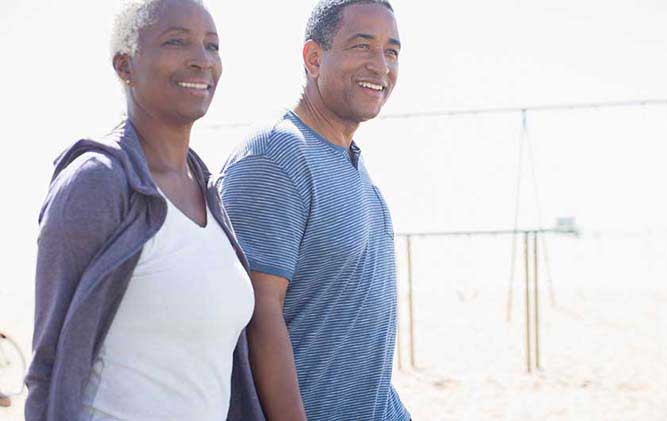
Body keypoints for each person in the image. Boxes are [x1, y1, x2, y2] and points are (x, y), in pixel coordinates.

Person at [24, 1, 264, 420]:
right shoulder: (97, 182)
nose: (201, 60)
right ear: (124, 66)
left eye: (212, 46)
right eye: (176, 42)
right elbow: (48, 364)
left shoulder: (206, 188)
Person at [218, 1, 409, 420]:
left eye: (391, 52)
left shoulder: (354, 168)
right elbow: (257, 317)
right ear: (313, 57)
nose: (381, 65)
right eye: (362, 46)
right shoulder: (277, 156)